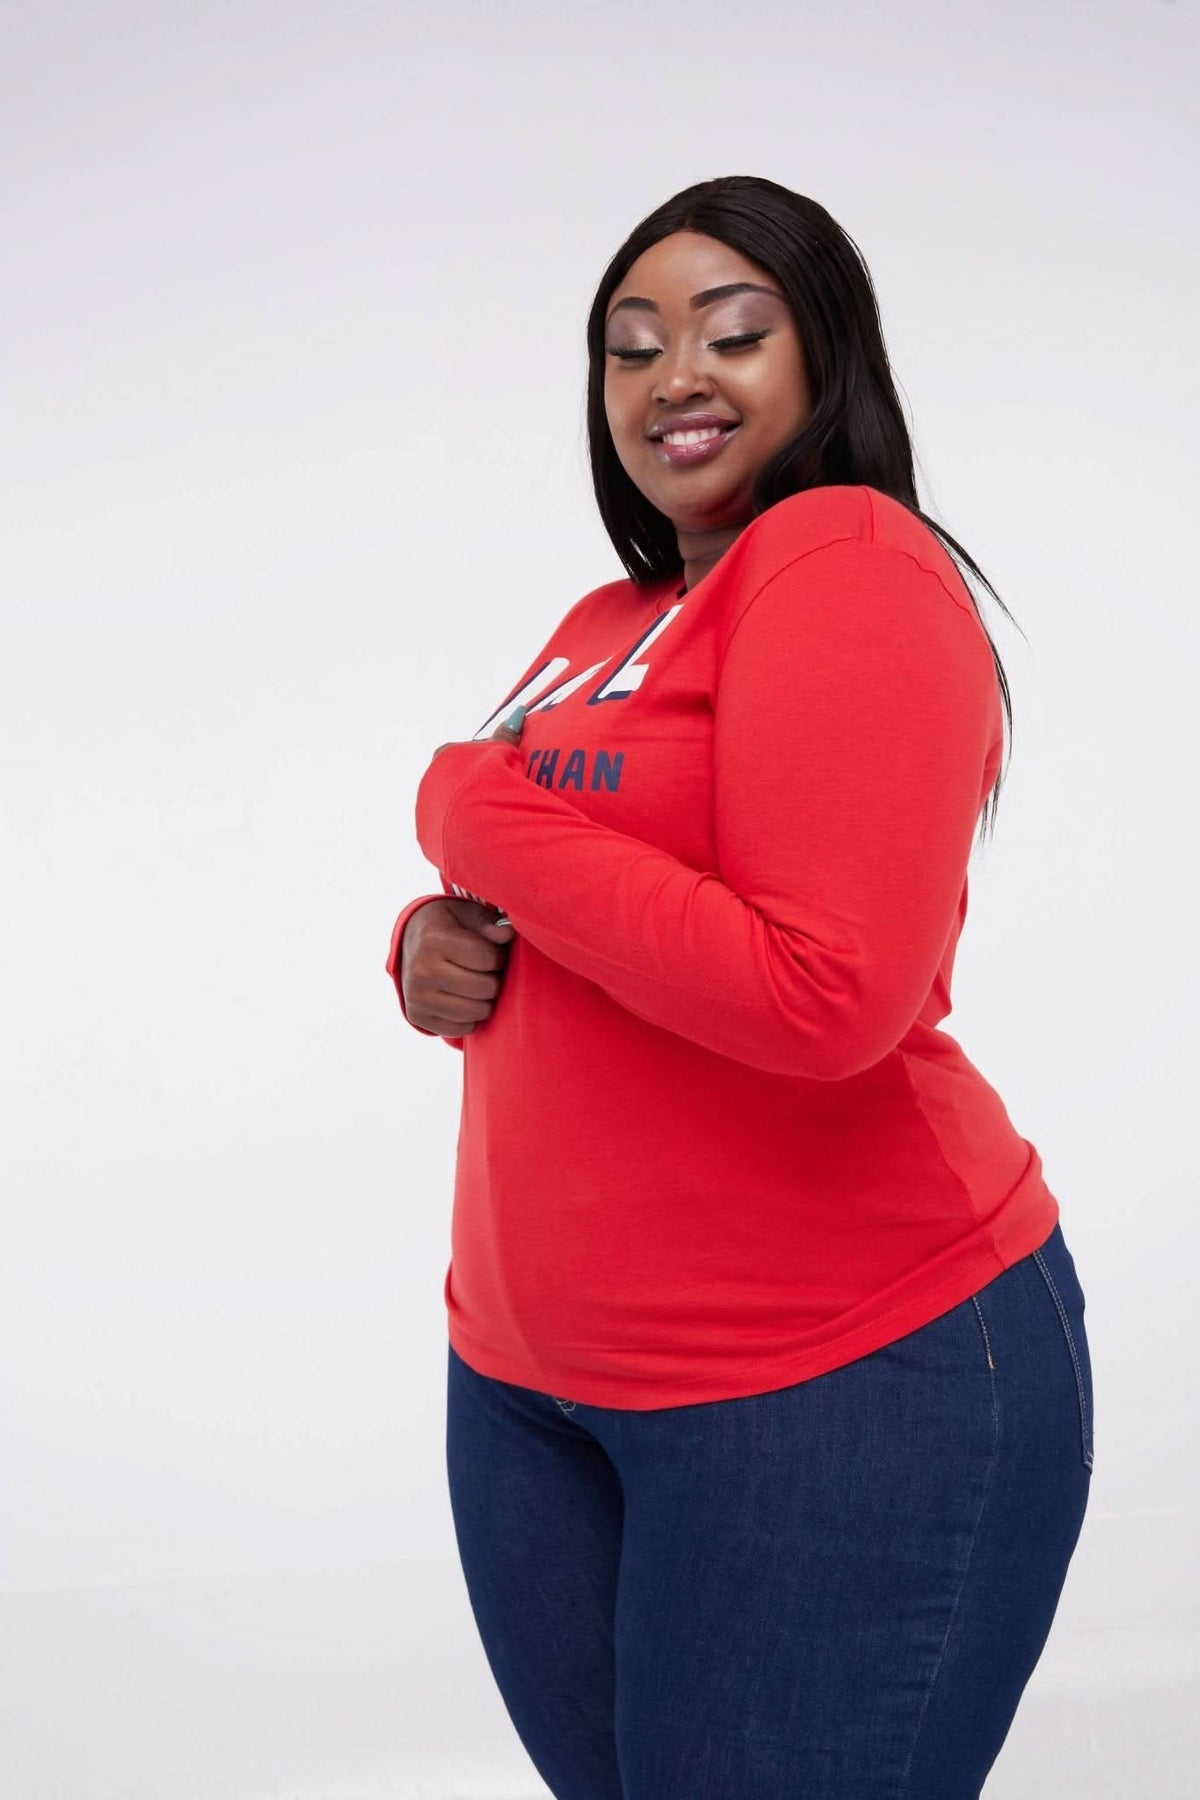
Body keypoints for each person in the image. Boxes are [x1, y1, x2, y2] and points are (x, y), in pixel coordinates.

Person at [385, 175, 1094, 1800]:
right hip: (533, 1383)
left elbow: (823, 995)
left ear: (826, 352)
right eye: (631, 348)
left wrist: (470, 811)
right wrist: (431, 947)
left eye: (732, 332)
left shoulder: (843, 559)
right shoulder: (609, 622)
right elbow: (576, 900)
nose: (673, 377)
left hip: (833, 1376)